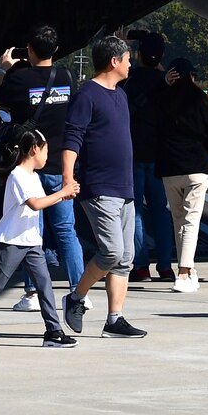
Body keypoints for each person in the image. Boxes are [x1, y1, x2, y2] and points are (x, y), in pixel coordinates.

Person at [0, 123, 75, 347]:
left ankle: (53, 331)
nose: (48, 156)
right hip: (11, 242)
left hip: (31, 242)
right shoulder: (18, 175)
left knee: (44, 285)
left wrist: (62, 197)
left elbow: (41, 203)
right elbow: (35, 204)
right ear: (34, 150)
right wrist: (62, 192)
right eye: (46, 151)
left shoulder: (33, 176)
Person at [0, 25, 82, 293]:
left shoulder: (20, 80)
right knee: (66, 232)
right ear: (57, 50)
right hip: (61, 162)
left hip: (30, 165)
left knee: (32, 233)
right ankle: (79, 291)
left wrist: (2, 70)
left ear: (28, 50)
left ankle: (31, 291)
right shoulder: (68, 76)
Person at [61, 35, 146, 339]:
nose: (130, 62)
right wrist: (69, 176)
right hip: (98, 186)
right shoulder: (87, 94)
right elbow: (72, 137)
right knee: (111, 252)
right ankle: (75, 297)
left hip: (124, 187)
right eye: (126, 58)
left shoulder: (120, 95)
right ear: (114, 61)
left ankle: (115, 320)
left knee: (124, 258)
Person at [152, 59, 208, 293]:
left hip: (169, 169)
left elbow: (147, 112)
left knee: (179, 221)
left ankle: (189, 269)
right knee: (191, 220)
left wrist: (162, 85)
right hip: (196, 168)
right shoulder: (201, 100)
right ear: (192, 77)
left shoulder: (162, 99)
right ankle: (183, 273)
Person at [124, 30, 176, 282]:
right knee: (161, 212)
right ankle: (165, 267)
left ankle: (141, 266)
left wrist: (123, 44)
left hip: (133, 153)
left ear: (137, 54)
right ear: (161, 56)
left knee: (135, 213)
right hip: (159, 155)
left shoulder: (129, 79)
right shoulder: (166, 82)